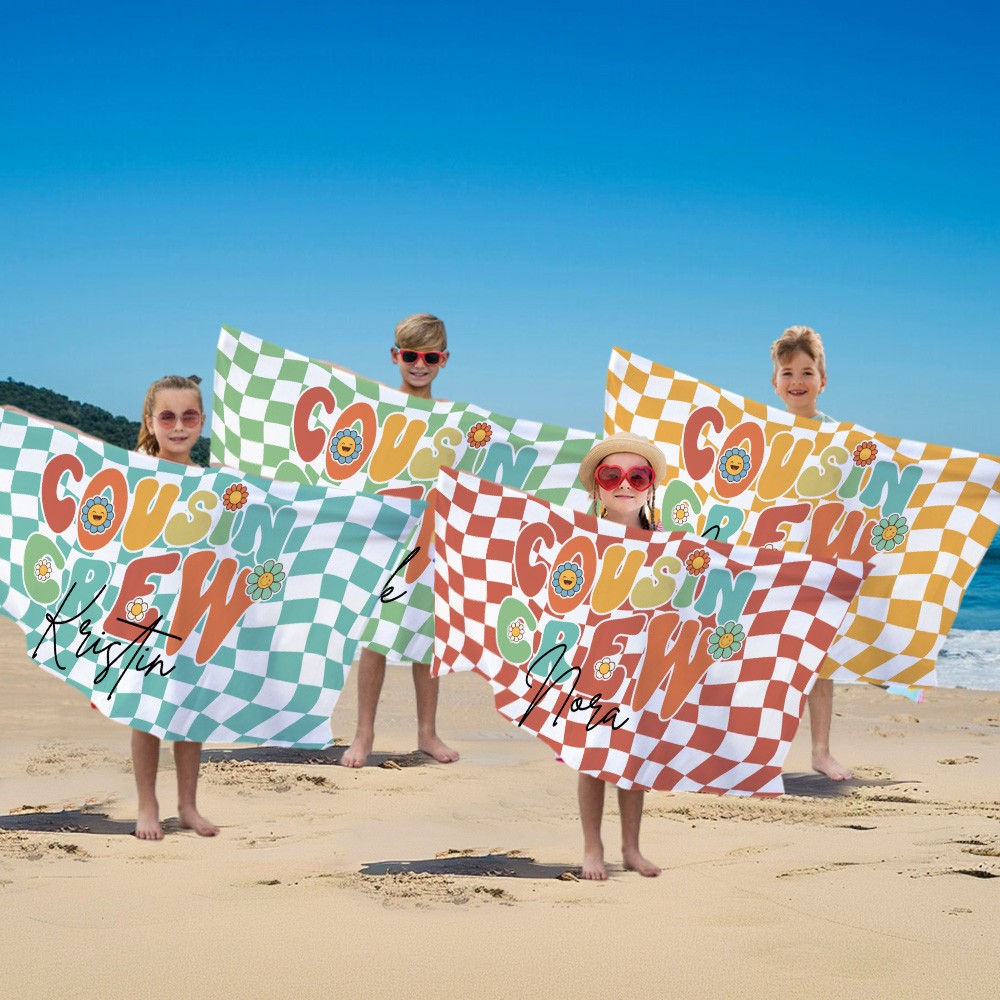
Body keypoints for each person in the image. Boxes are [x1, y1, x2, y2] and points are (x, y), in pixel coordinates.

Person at [339, 314, 459, 768]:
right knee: (375, 635)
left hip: (430, 535)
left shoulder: (452, 415)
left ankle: (427, 733)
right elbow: (333, 382)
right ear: (395, 356)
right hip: (382, 532)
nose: (419, 365)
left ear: (443, 360)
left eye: (429, 357)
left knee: (427, 636)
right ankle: (363, 733)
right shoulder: (382, 404)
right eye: (410, 356)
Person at [575, 431, 666, 879]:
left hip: (647, 664)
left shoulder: (668, 543)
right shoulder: (580, 537)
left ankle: (631, 847)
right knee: (593, 758)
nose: (624, 484)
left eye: (637, 475)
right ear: (597, 487)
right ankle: (594, 847)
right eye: (611, 476)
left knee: (636, 759)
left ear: (650, 486)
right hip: (594, 661)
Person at [132, 375, 220, 839]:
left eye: (189, 417)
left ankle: (188, 804)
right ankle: (148, 805)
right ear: (151, 421)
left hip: (197, 612)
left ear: (201, 422)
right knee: (146, 711)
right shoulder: (135, 475)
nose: (179, 426)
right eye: (168, 417)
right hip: (145, 613)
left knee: (192, 710)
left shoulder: (214, 483)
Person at [770, 325, 850, 781]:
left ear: (822, 380)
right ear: (775, 382)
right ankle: (760, 752)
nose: (797, 380)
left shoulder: (838, 435)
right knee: (766, 661)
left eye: (807, 371)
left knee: (817, 660)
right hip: (768, 562)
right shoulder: (762, 431)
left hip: (820, 562)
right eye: (788, 372)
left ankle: (820, 751)